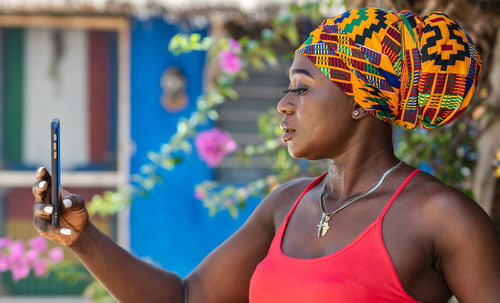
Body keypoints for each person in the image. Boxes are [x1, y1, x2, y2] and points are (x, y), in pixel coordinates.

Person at [32, 7, 499, 303]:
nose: (283, 103)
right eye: (286, 87)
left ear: (361, 99)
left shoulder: (441, 218)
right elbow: (185, 298)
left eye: (303, 87)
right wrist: (83, 238)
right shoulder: (286, 205)